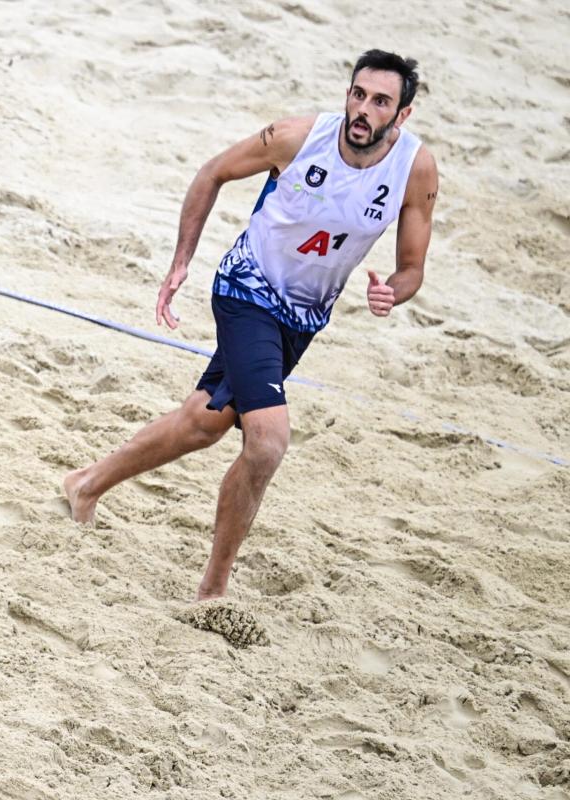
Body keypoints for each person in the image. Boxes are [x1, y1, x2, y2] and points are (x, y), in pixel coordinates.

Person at [63, 50, 439, 600]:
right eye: (357, 94)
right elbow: (212, 172)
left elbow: (411, 269)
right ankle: (212, 593)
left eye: (380, 101)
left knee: (204, 422)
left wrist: (392, 292)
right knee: (267, 444)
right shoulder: (296, 138)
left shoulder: (415, 168)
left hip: (305, 316)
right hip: (248, 290)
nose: (362, 109)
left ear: (401, 115)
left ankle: (84, 484)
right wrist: (180, 262)